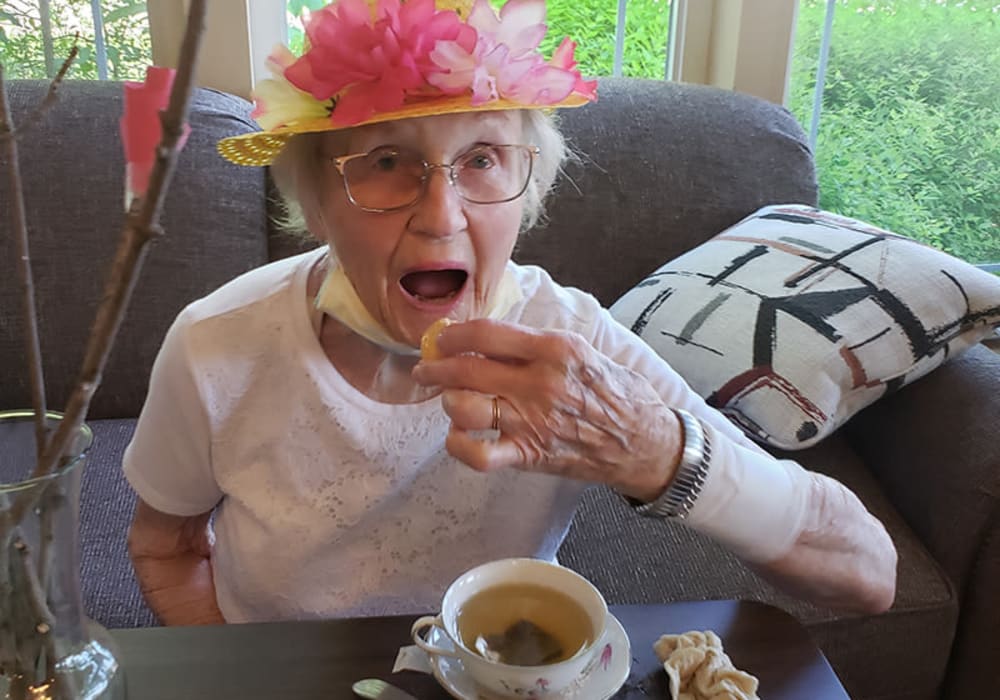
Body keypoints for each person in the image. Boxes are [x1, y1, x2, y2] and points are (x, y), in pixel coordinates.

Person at [124, 0, 897, 626]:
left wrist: (660, 450)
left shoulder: (573, 343)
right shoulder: (214, 344)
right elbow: (165, 550)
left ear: (526, 193)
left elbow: (867, 574)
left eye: (482, 159)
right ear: (318, 204)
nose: (442, 217)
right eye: (389, 162)